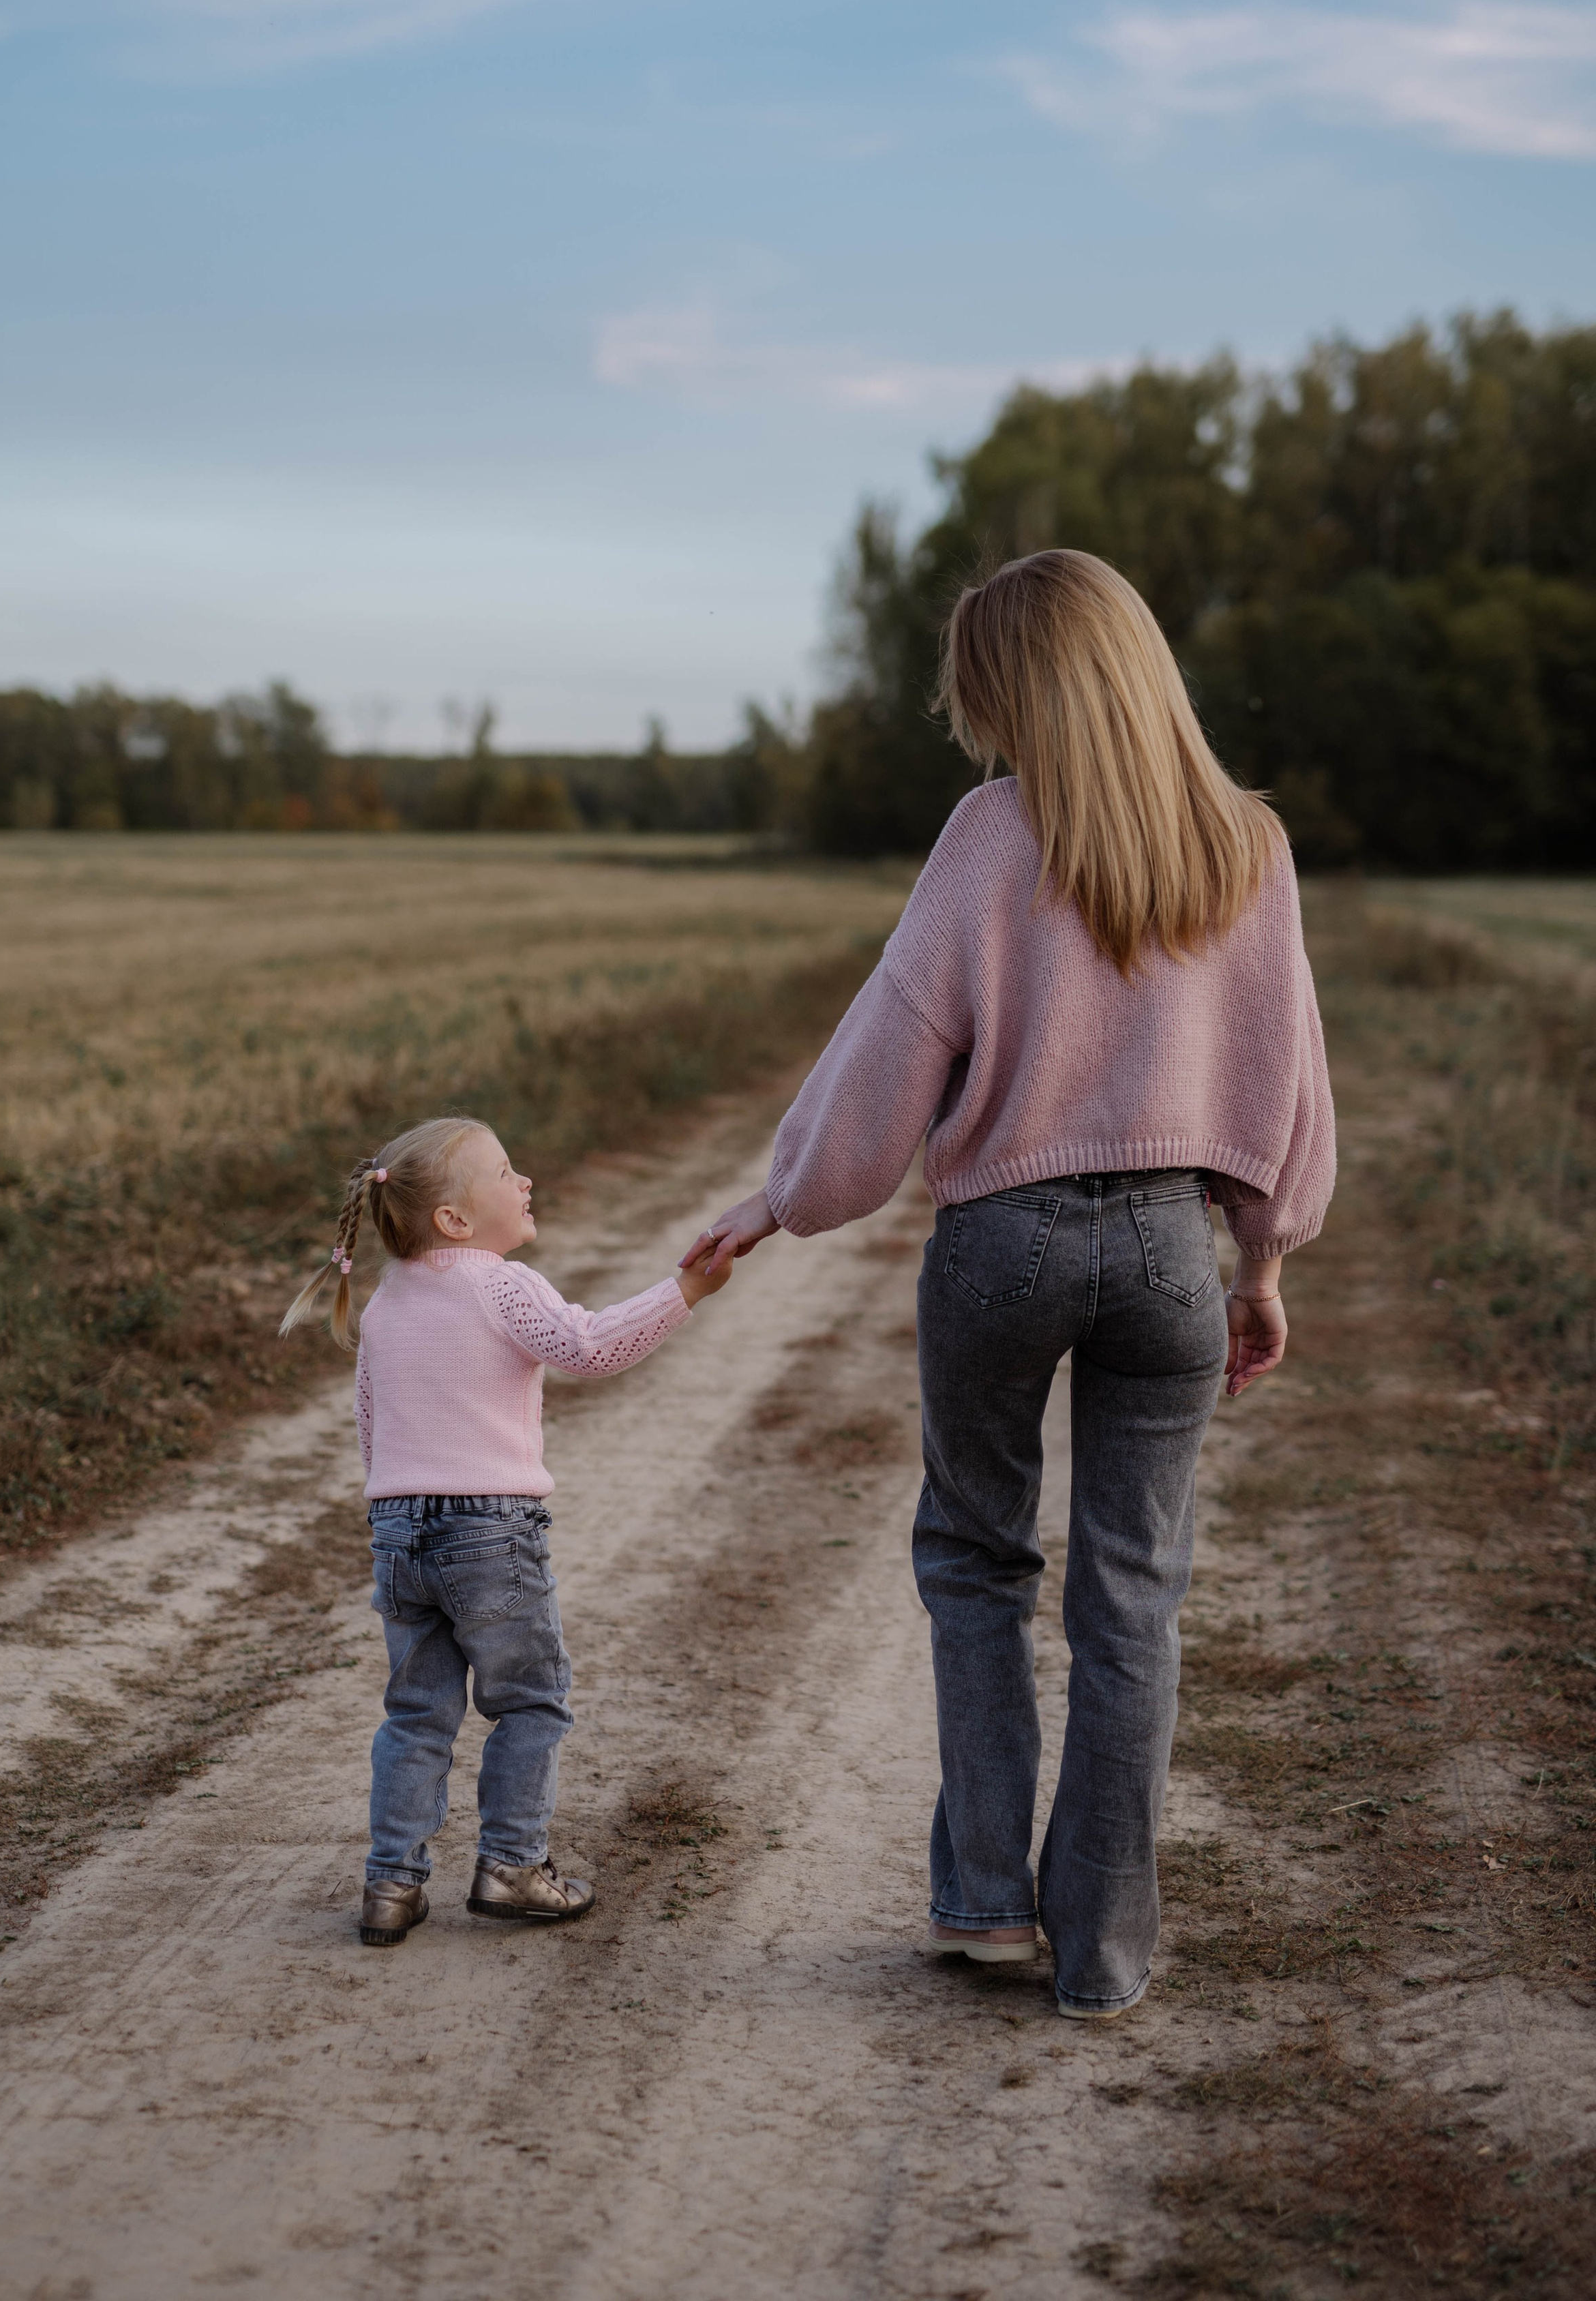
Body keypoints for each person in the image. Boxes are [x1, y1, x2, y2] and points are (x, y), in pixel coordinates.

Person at [683, 548, 1333, 2021]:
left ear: (1020, 692)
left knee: (977, 1561)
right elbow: (1285, 1071)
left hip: (1000, 1245)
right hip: (1170, 1252)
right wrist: (1264, 1256)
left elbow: (891, 1048)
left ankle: (985, 1902)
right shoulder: (1247, 846)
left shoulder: (989, 835)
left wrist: (786, 1199)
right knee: (1132, 1596)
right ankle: (1102, 1956)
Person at [282, 1114, 732, 1946]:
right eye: (504, 1173)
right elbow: (589, 1347)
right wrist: (685, 1292)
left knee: (416, 1716)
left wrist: (396, 1515)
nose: (523, 1182)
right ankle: (512, 1866)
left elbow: (371, 1424)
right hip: (490, 1530)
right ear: (454, 1219)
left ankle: (391, 1884)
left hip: (398, 1530)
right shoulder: (500, 1285)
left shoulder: (387, 1302)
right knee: (528, 1702)